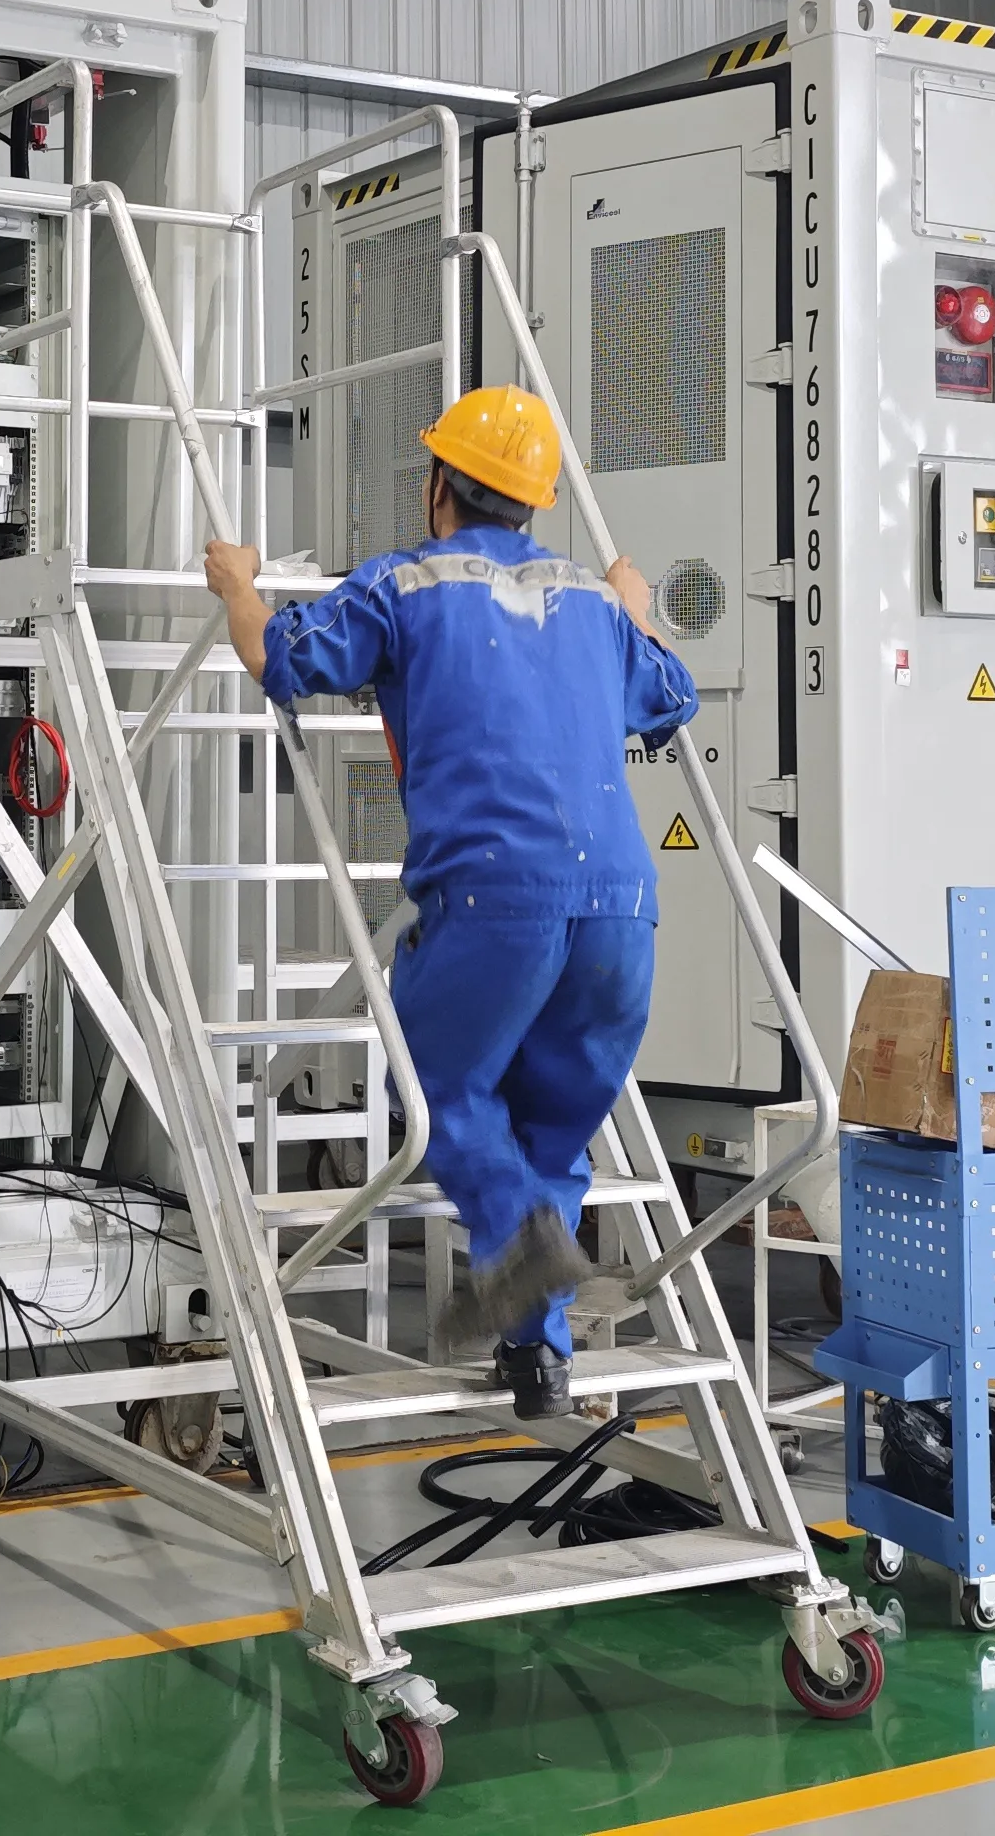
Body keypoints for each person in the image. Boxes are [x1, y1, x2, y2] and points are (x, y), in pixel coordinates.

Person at [201, 385, 695, 1421]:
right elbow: (670, 693)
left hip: (494, 893)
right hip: (621, 909)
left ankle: (527, 1254)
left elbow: (279, 660)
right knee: (552, 1130)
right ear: (534, 503)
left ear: (437, 486)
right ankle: (538, 1356)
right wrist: (634, 602)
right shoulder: (594, 603)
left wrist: (236, 584)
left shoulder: (405, 583)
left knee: (428, 1089)